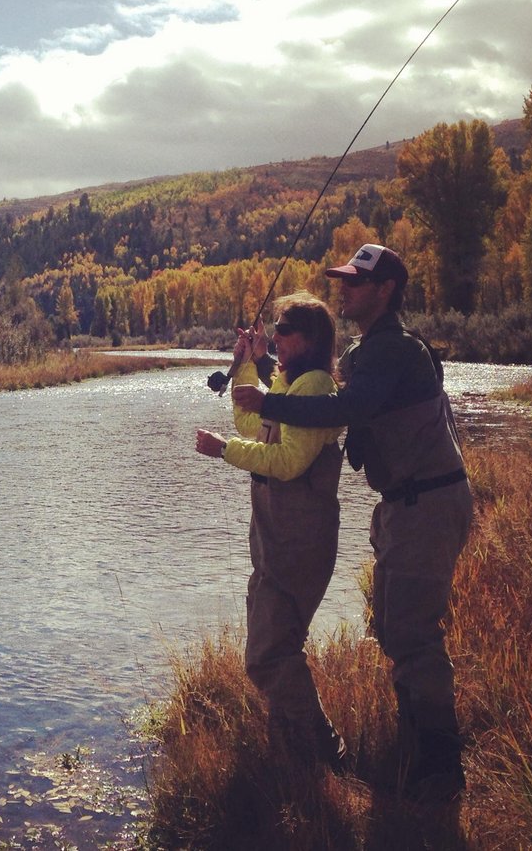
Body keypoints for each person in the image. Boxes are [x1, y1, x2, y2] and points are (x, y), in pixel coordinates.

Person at [231, 243, 473, 804]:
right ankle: (414, 753)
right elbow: (315, 390)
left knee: (412, 633)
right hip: (407, 504)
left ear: (385, 289)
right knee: (394, 627)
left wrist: (265, 400)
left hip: (428, 503)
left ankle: (437, 770)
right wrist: (261, 367)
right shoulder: (375, 351)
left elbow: (340, 410)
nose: (343, 289)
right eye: (342, 280)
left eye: (356, 282)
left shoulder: (391, 351)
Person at [195, 291, 348, 774]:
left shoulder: (316, 386)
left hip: (299, 542)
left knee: (266, 656)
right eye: (274, 330)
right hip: (272, 540)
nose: (275, 337)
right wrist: (247, 365)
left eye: (283, 330)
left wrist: (224, 451)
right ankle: (293, 753)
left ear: (309, 338)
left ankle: (325, 746)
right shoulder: (289, 384)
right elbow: (249, 419)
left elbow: (286, 463)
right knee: (278, 647)